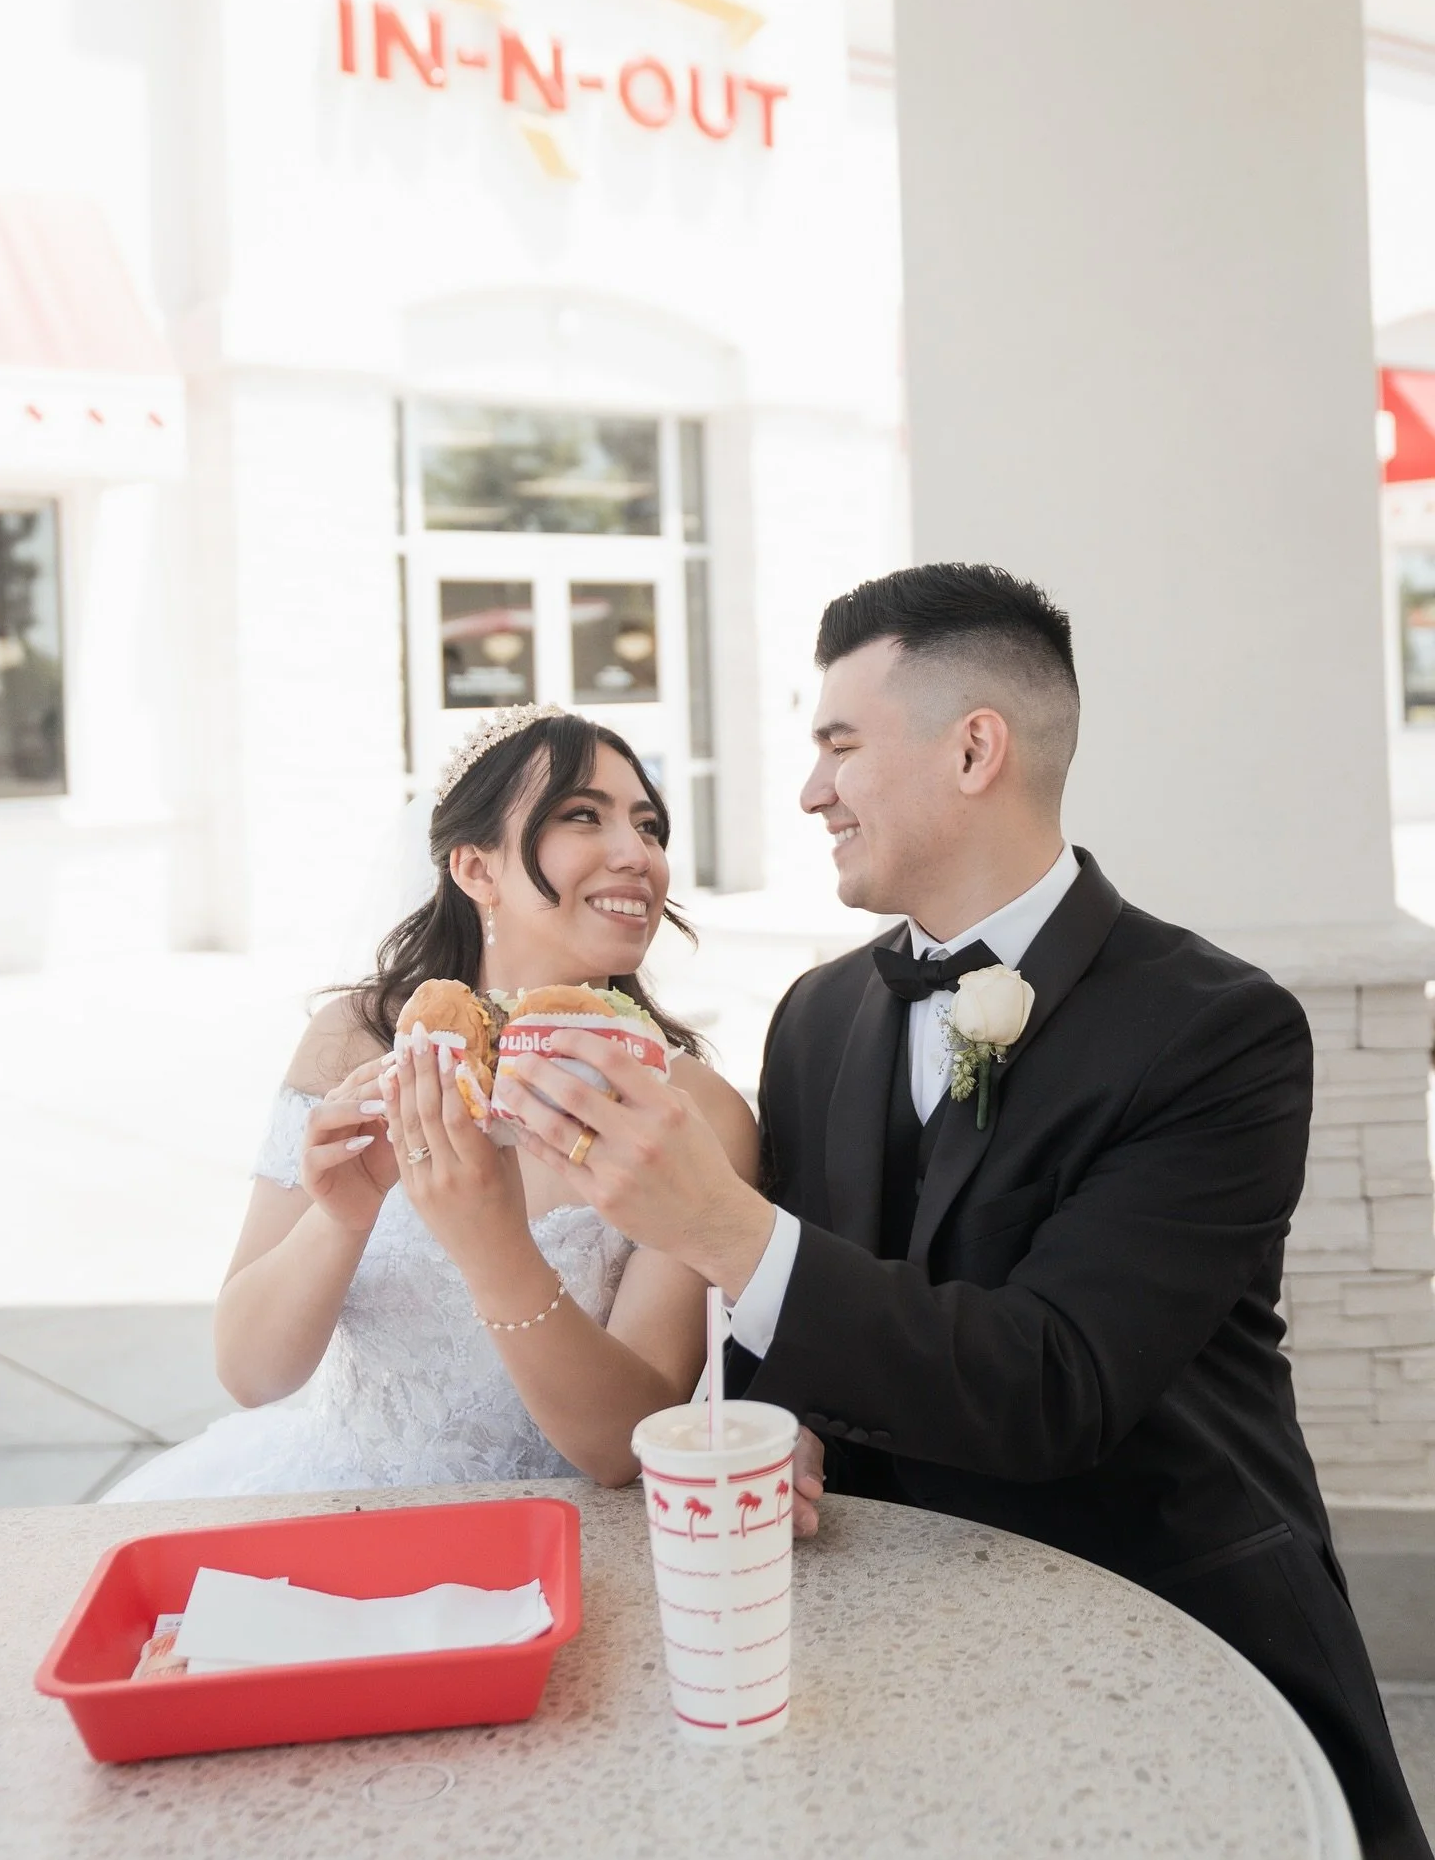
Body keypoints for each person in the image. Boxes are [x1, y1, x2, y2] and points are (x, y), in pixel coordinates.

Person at [498, 565, 1431, 1860]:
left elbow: (1056, 1383)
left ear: (975, 749)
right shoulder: (819, 1015)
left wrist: (716, 1221)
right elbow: (796, 1321)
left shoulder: (1221, 1032)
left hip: (1168, 1624)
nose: (813, 790)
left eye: (838, 745)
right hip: (882, 1637)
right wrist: (781, 1431)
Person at [106, 705, 793, 1505]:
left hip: (564, 1543)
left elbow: (624, 1446)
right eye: (582, 816)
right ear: (474, 868)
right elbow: (250, 1373)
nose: (635, 854)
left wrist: (491, 1244)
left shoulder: (694, 1109)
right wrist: (343, 1215)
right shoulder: (356, 1043)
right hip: (342, 1508)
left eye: (648, 826)